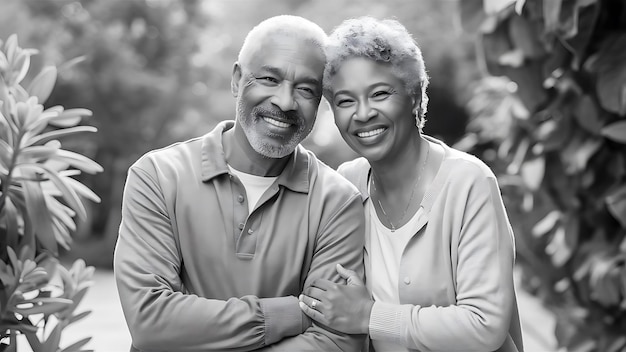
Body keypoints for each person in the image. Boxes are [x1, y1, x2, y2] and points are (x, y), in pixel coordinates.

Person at [114, 15, 366, 352]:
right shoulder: (158, 176)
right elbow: (151, 323)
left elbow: (335, 342)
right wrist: (295, 313)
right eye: (268, 78)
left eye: (306, 89)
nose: (285, 102)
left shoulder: (338, 202)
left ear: (321, 101)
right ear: (237, 80)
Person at [299, 16, 524, 352]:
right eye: (346, 101)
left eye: (379, 93)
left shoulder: (467, 182)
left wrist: (370, 316)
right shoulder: (347, 183)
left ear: (415, 97)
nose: (362, 114)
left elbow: (485, 325)